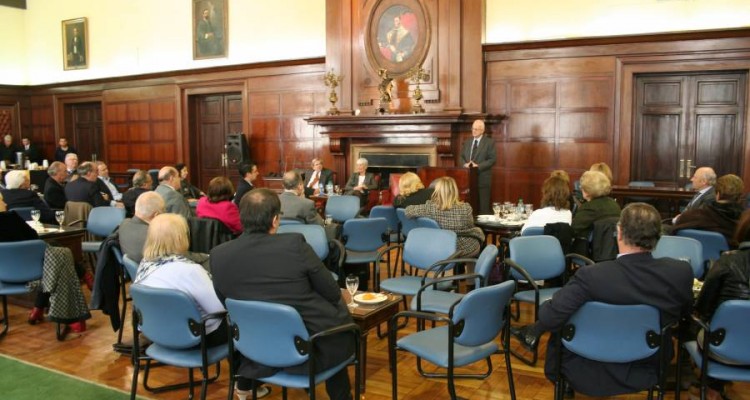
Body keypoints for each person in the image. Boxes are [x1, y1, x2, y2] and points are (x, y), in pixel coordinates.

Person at [511, 203, 693, 397]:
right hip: (646, 368)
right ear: (659, 235)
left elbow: (548, 317)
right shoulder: (680, 272)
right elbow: (683, 318)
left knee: (561, 319)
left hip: (583, 369)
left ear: (619, 232)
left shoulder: (592, 275)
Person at [211, 188, 355, 400]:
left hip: (255, 345)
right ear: (276, 220)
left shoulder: (218, 255)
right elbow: (332, 293)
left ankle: (246, 384)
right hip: (309, 347)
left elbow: (226, 301)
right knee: (338, 322)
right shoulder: (294, 244)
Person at [0, 194, 90, 336]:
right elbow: (34, 238)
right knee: (59, 257)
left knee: (56, 254)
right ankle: (82, 274)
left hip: (3, 277)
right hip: (35, 274)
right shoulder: (11, 218)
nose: (5, 201)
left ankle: (38, 309)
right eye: (1, 199)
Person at [133, 213, 227, 349]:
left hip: (157, 333)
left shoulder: (145, 263)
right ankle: (241, 370)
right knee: (242, 322)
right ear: (180, 238)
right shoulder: (189, 270)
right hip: (195, 338)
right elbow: (219, 308)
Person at [691, 211, 750, 400]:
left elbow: (703, 309)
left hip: (723, 350)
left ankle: (709, 389)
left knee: (710, 329)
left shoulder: (728, 261)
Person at [405, 176, 484, 258]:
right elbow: (470, 226)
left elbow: (408, 211)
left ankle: (460, 267)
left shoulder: (430, 208)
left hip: (442, 247)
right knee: (478, 235)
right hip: (465, 248)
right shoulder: (465, 208)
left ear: (437, 191)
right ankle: (475, 269)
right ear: (455, 191)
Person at [671, 174, 745, 244]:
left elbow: (675, 233)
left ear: (717, 194)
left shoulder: (690, 216)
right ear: (740, 198)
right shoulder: (745, 223)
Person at [460, 119, 496, 215]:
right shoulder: (467, 142)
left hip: (483, 179)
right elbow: (461, 157)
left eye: (476, 129)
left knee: (483, 209)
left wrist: (478, 166)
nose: (474, 131)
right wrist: (464, 164)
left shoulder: (489, 142)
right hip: (468, 181)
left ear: (482, 130)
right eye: (473, 128)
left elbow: (492, 160)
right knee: (470, 208)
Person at [571, 170, 621, 239]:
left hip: (591, 247)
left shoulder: (588, 208)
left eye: (581, 187)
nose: (581, 189)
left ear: (587, 190)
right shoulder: (614, 204)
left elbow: (573, 230)